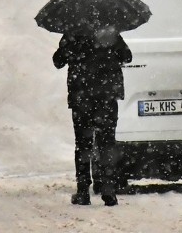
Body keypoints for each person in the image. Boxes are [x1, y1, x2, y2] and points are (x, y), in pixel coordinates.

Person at [53, 25, 132, 207]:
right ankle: (108, 190)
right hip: (106, 96)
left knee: (83, 144)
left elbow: (58, 61)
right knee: (107, 143)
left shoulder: (72, 33)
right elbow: (127, 56)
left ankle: (83, 191)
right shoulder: (111, 32)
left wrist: (70, 50)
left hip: (82, 97)